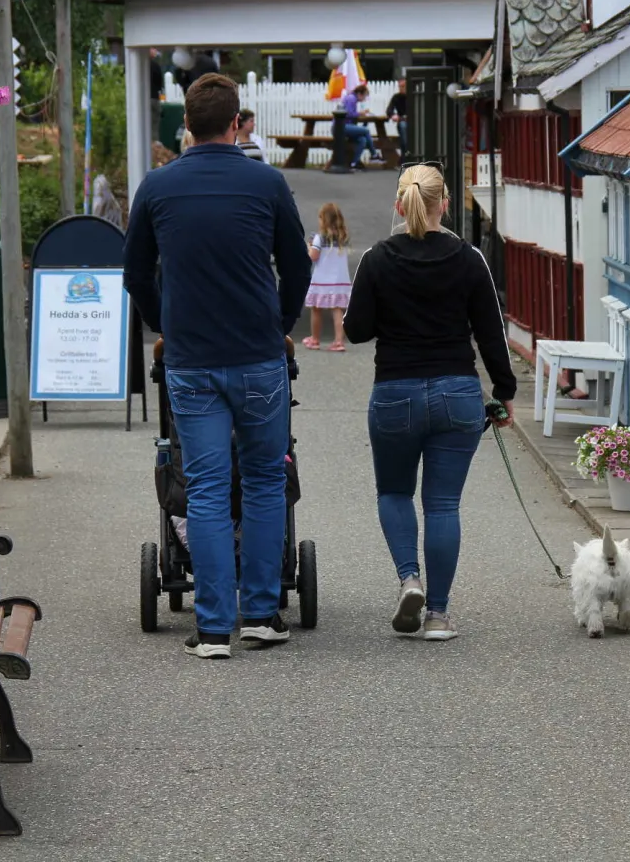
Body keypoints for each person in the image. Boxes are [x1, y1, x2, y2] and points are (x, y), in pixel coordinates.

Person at [125, 73, 313, 659]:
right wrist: (279, 324)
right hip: (259, 358)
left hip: (192, 362)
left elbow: (135, 274)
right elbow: (297, 267)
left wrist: (167, 327)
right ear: (237, 124)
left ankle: (211, 629)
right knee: (262, 481)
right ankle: (260, 614)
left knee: (205, 487)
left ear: (187, 125)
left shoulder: (157, 188)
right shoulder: (267, 183)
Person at [343, 163, 516, 641]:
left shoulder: (377, 258)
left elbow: (355, 330)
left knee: (395, 493)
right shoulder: (469, 259)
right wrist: (503, 392)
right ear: (445, 203)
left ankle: (408, 579)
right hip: (457, 395)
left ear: (400, 205)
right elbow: (491, 333)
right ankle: (438, 615)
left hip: (395, 392)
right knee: (442, 505)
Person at [302, 202, 352, 352]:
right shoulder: (343, 237)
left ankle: (315, 339)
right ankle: (339, 341)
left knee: (316, 308)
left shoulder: (319, 238)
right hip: (340, 280)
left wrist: (309, 246)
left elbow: (313, 257)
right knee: (337, 310)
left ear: (324, 220)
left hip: (322, 280)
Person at [340, 84, 381, 169]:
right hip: (341, 127)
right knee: (366, 130)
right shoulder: (352, 99)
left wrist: (360, 114)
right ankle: (374, 154)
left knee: (363, 140)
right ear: (359, 94)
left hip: (346, 126)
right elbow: (348, 114)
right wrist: (360, 113)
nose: (364, 99)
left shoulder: (352, 99)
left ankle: (354, 164)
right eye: (364, 96)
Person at [386, 78, 408, 158]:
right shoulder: (396, 97)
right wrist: (393, 115)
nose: (401, 88)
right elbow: (389, 110)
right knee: (403, 126)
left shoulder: (414, 96)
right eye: (400, 86)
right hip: (402, 122)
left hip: (415, 122)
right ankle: (404, 157)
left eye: (403, 86)